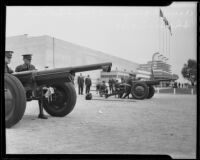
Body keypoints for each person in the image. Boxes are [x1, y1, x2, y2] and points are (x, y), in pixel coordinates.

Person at [15, 54, 48, 119]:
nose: (29, 61)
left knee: (41, 92)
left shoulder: (33, 67)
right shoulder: (18, 68)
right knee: (21, 97)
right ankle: (18, 114)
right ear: (24, 60)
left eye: (30, 60)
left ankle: (41, 113)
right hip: (23, 85)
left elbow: (36, 75)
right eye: (27, 60)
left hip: (32, 86)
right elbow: (15, 79)